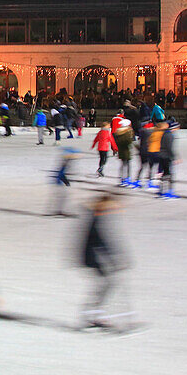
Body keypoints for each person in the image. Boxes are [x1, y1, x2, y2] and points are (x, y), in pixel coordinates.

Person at [77, 193, 139, 331]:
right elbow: (100, 241)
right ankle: (91, 316)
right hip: (91, 258)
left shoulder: (97, 216)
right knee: (107, 284)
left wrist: (114, 257)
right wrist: (114, 258)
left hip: (93, 258)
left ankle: (92, 315)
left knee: (106, 284)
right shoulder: (96, 218)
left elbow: (103, 241)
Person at [113, 118, 136, 188]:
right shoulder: (127, 132)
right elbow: (129, 141)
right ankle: (127, 179)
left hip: (121, 150)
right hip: (126, 150)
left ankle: (122, 179)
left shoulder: (118, 132)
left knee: (123, 164)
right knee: (127, 165)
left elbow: (117, 142)